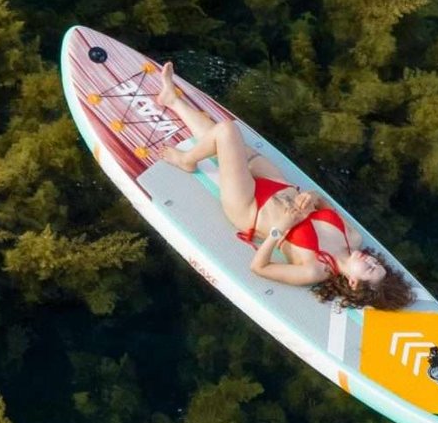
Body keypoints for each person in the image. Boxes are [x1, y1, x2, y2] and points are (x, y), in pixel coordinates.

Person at [154, 64, 414, 310]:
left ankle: (186, 161)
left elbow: (259, 267)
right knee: (231, 145)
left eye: (369, 269)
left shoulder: (315, 270)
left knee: (226, 132)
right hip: (279, 186)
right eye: (376, 262)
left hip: (249, 208)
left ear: (354, 283)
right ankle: (172, 100)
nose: (370, 260)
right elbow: (321, 200)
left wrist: (283, 229)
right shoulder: (353, 238)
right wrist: (309, 198)